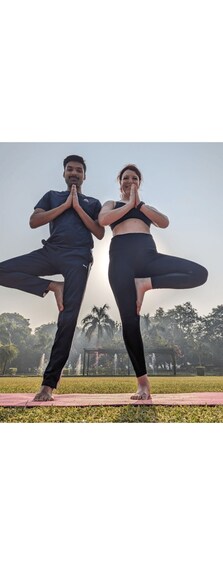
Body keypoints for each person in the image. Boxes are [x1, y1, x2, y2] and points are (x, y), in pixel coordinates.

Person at [98, 164, 208, 400]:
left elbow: (164, 222)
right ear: (120, 182)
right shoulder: (111, 204)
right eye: (126, 177)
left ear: (140, 182)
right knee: (130, 321)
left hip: (149, 258)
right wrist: (128, 205)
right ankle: (143, 383)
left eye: (134, 178)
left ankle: (146, 283)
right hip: (120, 262)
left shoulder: (146, 208)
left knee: (199, 273)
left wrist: (138, 204)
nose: (130, 181)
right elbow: (103, 219)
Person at [0, 155, 104, 401]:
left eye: (79, 170)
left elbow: (99, 232)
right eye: (70, 169)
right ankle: (51, 285)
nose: (74, 173)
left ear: (85, 175)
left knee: (67, 320)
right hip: (50, 251)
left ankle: (48, 385)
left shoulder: (93, 202)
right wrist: (65, 205)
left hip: (78, 257)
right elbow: (34, 221)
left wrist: (78, 207)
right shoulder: (51, 196)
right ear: (64, 173)